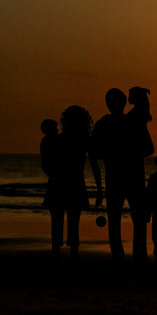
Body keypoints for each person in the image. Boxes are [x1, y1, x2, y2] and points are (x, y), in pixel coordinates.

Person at [90, 87, 154, 267]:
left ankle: (120, 259)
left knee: (117, 222)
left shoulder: (104, 124)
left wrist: (99, 189)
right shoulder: (132, 122)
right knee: (137, 221)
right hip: (133, 178)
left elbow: (94, 156)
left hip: (117, 179)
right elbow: (149, 149)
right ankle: (138, 260)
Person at [48, 105, 101, 260]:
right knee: (73, 222)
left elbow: (49, 162)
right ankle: (73, 253)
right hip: (75, 183)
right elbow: (94, 166)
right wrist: (98, 190)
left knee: (57, 222)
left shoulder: (58, 139)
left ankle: (57, 253)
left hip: (58, 182)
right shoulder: (85, 140)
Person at [39, 118, 59, 210]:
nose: (57, 129)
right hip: (55, 178)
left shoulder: (47, 141)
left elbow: (44, 163)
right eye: (55, 128)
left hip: (53, 178)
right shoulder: (52, 141)